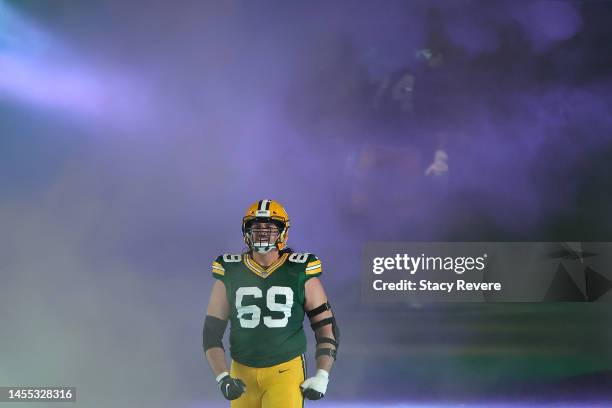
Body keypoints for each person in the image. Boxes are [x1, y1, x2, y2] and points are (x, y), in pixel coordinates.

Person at [203, 199, 339, 407]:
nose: (263, 233)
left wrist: (322, 375)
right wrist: (223, 377)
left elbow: (326, 327)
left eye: (269, 227)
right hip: (241, 371)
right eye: (256, 227)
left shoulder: (299, 269)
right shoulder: (230, 269)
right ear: (246, 232)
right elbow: (211, 333)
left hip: (285, 371)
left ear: (283, 232)